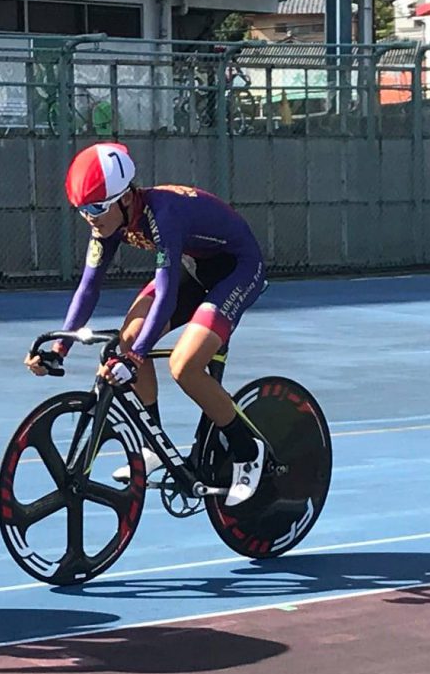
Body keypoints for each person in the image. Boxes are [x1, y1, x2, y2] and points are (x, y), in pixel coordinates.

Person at [26, 142, 268, 505]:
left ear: (125, 198)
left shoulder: (163, 214)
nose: (90, 217)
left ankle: (248, 451)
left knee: (184, 366)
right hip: (196, 264)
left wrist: (136, 358)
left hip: (237, 268)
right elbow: (88, 287)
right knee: (128, 337)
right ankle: (152, 444)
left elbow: (168, 294)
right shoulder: (109, 223)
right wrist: (60, 348)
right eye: (82, 210)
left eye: (96, 208)